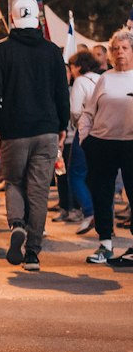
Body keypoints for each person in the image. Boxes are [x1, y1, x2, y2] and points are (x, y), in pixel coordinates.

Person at [0, 0, 70, 274]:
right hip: (46, 129)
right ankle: (32, 253)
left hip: (14, 130)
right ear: (38, 19)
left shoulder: (1, 52)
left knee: (14, 182)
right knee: (39, 191)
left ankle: (17, 225)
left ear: (12, 19)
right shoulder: (52, 52)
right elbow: (62, 93)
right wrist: (61, 125)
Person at [77, 28, 133, 267]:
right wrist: (85, 140)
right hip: (102, 143)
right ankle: (105, 244)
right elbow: (88, 113)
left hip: (131, 145)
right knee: (102, 194)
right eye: (116, 49)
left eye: (125, 48)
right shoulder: (105, 78)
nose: (120, 53)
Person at [66, 50, 101, 232]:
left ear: (78, 66)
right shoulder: (102, 78)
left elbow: (74, 110)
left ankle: (89, 212)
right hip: (104, 132)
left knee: (76, 175)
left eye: (71, 67)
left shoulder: (80, 81)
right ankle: (104, 219)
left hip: (85, 131)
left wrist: (75, 124)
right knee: (100, 177)